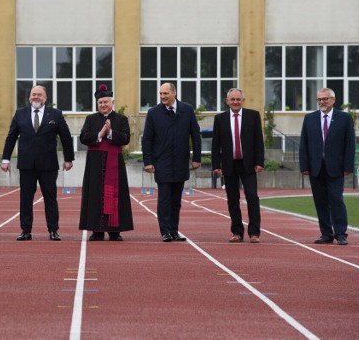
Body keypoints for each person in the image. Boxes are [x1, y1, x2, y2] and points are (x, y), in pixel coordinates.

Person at [1, 85, 75, 241]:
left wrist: (68, 159)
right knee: (26, 199)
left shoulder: (56, 114)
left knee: (50, 198)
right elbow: (11, 137)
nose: (36, 97)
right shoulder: (20, 114)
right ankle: (26, 230)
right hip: (26, 164)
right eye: (33, 94)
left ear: (45, 98)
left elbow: (66, 137)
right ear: (29, 97)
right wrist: (5, 159)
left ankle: (53, 230)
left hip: (48, 165)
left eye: (39, 95)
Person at [142, 82, 201, 242]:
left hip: (181, 162)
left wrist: (197, 158)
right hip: (162, 162)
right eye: (160, 94)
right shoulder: (153, 113)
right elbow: (147, 139)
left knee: (176, 201)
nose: (162, 97)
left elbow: (195, 135)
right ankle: (165, 231)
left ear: (174, 93)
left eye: (165, 94)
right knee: (164, 199)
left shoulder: (187, 110)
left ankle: (174, 230)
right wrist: (148, 161)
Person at [299, 88, 355, 246]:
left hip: (336, 167)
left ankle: (341, 234)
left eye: (325, 99)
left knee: (336, 200)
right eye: (319, 99)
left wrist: (348, 166)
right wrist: (304, 166)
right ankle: (326, 233)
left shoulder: (344, 118)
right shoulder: (309, 118)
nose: (322, 102)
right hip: (315, 168)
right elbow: (304, 144)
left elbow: (349, 145)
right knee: (320, 201)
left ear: (333, 100)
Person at [79, 85, 133, 241]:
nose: (103, 105)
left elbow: (126, 138)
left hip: (114, 163)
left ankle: (114, 231)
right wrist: (100, 134)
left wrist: (110, 133)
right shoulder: (91, 119)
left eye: (105, 102)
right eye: (100, 103)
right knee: (95, 195)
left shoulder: (121, 119)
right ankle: (97, 231)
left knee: (115, 194)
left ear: (112, 102)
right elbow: (83, 137)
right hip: (94, 164)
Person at [211, 88, 265, 243]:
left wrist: (259, 162)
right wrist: (216, 164)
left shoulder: (253, 116)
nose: (235, 102)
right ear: (227, 101)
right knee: (233, 200)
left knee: (252, 197)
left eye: (238, 99)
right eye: (232, 99)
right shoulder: (220, 119)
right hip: (229, 164)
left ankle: (254, 233)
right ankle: (237, 232)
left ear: (243, 100)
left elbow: (258, 141)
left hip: (248, 164)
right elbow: (216, 144)